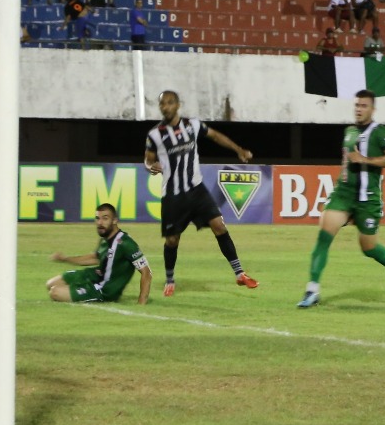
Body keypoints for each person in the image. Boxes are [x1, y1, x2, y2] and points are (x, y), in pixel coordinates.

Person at [144, 91, 259, 296]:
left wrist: (238, 149)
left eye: (169, 103)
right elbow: (147, 159)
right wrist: (151, 166)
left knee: (219, 226)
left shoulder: (192, 125)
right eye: (162, 103)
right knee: (172, 240)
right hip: (173, 195)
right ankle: (170, 279)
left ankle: (239, 273)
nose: (165, 107)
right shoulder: (155, 135)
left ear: (177, 105)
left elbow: (215, 136)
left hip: (197, 190)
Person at [296, 90, 385, 308]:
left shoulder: (380, 132)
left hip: (368, 199)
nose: (358, 109)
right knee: (323, 238)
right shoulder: (349, 131)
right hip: (343, 195)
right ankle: (312, 290)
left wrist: (364, 159)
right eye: (357, 105)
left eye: (364, 106)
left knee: (368, 247)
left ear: (372, 109)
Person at [46, 204, 151, 305]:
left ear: (114, 220)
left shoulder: (126, 244)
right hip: (94, 275)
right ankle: (79, 287)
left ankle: (83, 291)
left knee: (55, 292)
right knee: (50, 284)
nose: (100, 223)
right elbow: (95, 258)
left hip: (103, 289)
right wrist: (65, 259)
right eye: (97, 218)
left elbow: (146, 273)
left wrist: (141, 302)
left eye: (105, 218)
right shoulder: (105, 239)